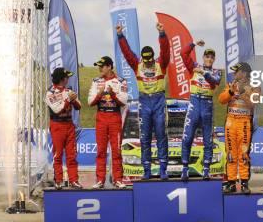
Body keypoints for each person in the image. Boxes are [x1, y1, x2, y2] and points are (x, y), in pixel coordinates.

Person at [117, 22, 170, 180]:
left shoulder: (161, 64)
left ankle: (163, 170)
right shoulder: (137, 64)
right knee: (145, 137)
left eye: (149, 60)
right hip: (144, 101)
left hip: (159, 100)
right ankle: (146, 170)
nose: (147, 62)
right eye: (145, 59)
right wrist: (120, 36)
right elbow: (127, 53)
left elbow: (166, 51)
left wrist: (162, 35)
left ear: (153, 57)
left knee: (161, 135)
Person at [180, 39, 221, 181]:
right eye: (207, 56)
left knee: (208, 140)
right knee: (187, 137)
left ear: (214, 59)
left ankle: (206, 170)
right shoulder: (194, 66)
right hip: (194, 103)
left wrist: (203, 72)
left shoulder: (217, 72)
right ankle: (184, 168)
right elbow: (183, 54)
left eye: (211, 57)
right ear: (203, 57)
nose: (209, 59)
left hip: (207, 106)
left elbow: (214, 81)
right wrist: (193, 44)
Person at [218, 62, 260, 194]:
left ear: (245, 73)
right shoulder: (231, 84)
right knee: (230, 154)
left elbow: (254, 104)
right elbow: (221, 100)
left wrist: (242, 93)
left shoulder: (255, 86)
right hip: (231, 122)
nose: (234, 73)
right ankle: (230, 182)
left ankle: (244, 183)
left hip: (245, 123)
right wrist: (231, 91)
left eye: (237, 71)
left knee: (244, 154)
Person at [88, 56, 128, 189]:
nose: (100, 68)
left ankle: (117, 179)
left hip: (114, 117)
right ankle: (100, 180)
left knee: (116, 150)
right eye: (99, 66)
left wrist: (113, 94)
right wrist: (100, 94)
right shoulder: (96, 81)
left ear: (110, 66)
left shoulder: (120, 81)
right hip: (101, 116)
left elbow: (124, 102)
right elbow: (90, 102)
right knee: (101, 150)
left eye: (103, 66)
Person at [45, 67, 82, 189]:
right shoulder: (50, 92)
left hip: (69, 124)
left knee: (72, 154)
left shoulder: (69, 90)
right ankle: (58, 181)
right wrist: (68, 100)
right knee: (58, 154)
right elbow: (57, 110)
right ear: (62, 78)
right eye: (66, 77)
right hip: (57, 124)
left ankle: (74, 180)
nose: (68, 79)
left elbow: (79, 106)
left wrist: (74, 100)